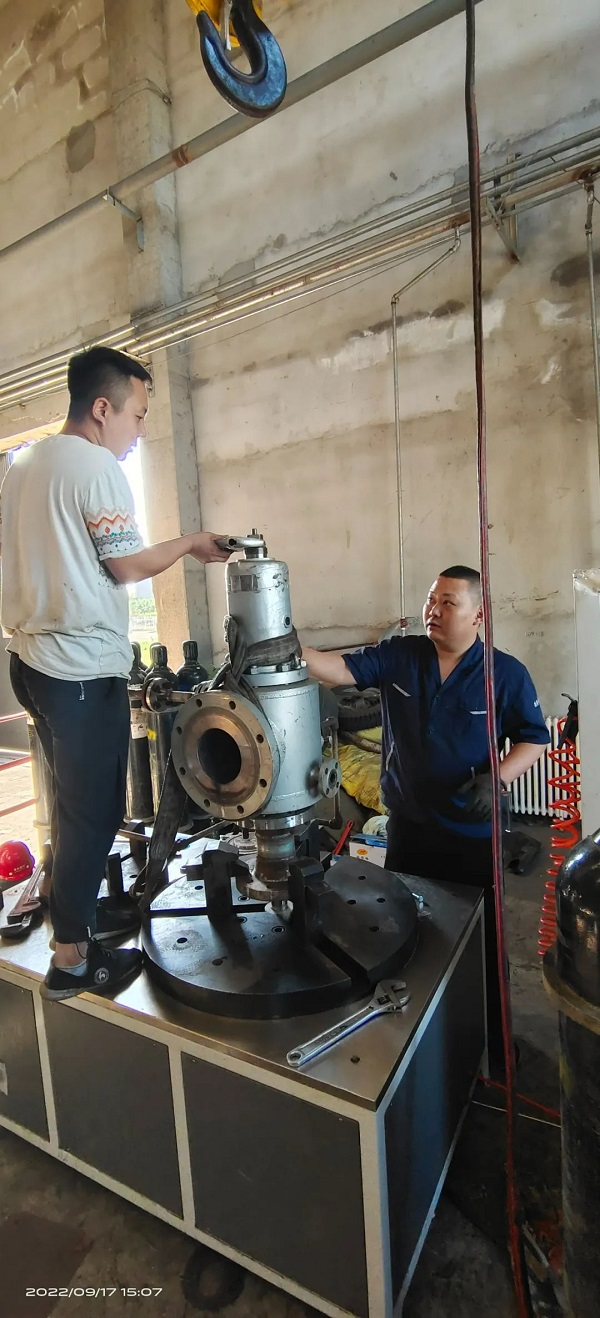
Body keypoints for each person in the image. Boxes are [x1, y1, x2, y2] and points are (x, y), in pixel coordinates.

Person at [0, 346, 231, 1001]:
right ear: (102, 409)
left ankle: (70, 914)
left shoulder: (23, 463)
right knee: (94, 813)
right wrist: (191, 543)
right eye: (138, 414)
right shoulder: (95, 465)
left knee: (70, 804)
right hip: (77, 669)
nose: (140, 431)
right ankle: (72, 961)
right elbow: (125, 565)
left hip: (30, 663)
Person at [302, 566, 549, 1071]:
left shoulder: (503, 673)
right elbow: (339, 670)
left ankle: (495, 1048)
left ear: (479, 614)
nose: (433, 611)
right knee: (407, 933)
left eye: (448, 603)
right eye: (431, 600)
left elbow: (534, 738)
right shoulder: (402, 656)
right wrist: (287, 645)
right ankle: (418, 1046)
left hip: (472, 834)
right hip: (410, 827)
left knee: (481, 941)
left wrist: (497, 778)